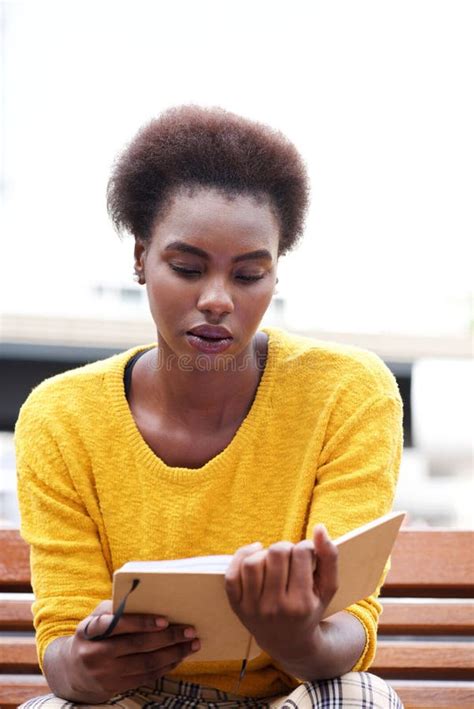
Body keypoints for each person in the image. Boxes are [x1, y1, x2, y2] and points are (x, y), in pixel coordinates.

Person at [15, 106, 404, 708]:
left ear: (275, 275)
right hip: (132, 698)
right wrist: (89, 664)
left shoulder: (347, 393)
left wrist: (294, 635)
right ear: (141, 258)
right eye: (188, 268)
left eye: (249, 275)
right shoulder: (61, 417)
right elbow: (62, 654)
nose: (217, 300)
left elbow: (349, 633)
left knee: (362, 698)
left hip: (287, 692)